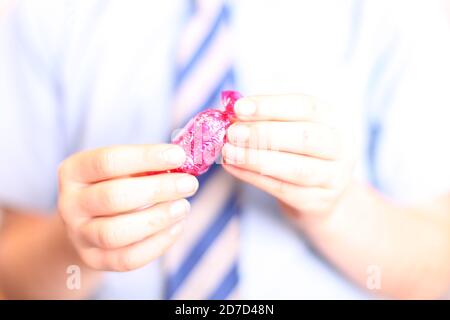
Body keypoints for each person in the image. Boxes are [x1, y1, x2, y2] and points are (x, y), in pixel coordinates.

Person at [0, 0, 449, 299]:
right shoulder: (48, 13)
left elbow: (438, 269)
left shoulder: (397, 14)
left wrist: (336, 209)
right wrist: (76, 246)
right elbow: (10, 277)